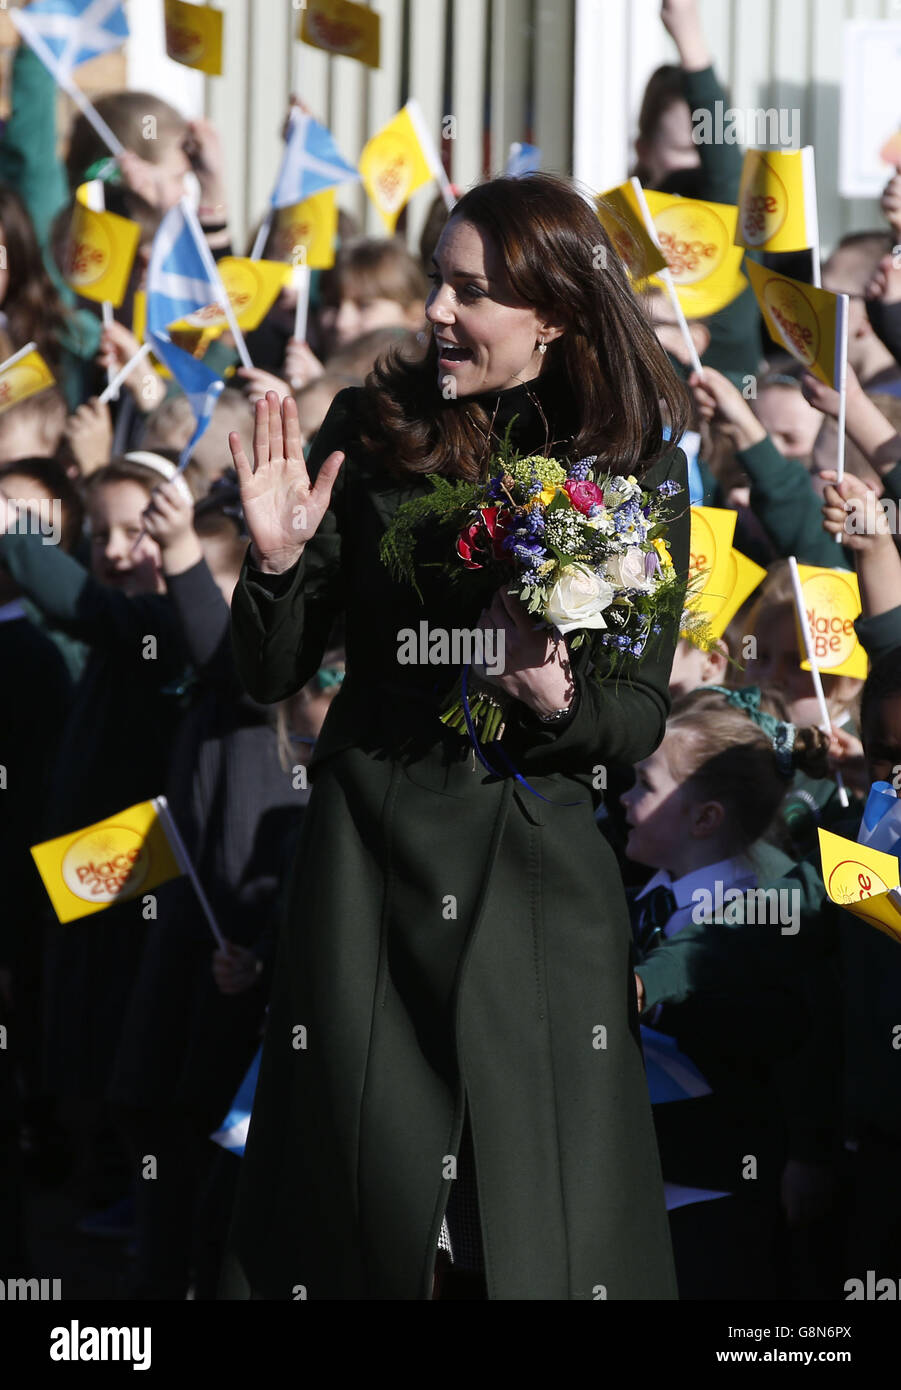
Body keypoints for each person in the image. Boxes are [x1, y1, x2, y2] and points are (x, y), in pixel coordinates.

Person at [221, 171, 692, 1301]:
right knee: (362, 1216)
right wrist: (278, 564)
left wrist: (551, 701)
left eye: (470, 292)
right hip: (369, 864)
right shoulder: (372, 429)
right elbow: (267, 672)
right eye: (437, 280)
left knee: (538, 1227)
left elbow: (633, 720)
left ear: (555, 317)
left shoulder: (637, 472)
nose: (437, 310)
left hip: (539, 880)